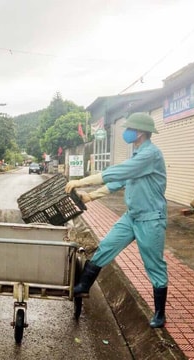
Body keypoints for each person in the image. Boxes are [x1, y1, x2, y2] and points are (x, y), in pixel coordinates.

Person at [65, 112, 168, 328]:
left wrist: (81, 182)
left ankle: (160, 313)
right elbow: (119, 181)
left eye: (130, 129)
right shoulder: (138, 154)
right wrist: (91, 196)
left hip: (150, 219)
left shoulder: (150, 155)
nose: (127, 133)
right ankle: (83, 286)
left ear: (139, 132)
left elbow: (117, 172)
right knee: (106, 247)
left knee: (154, 265)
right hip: (132, 216)